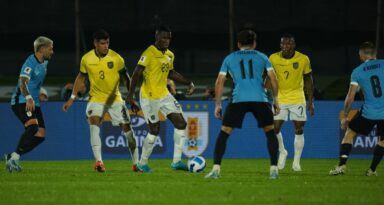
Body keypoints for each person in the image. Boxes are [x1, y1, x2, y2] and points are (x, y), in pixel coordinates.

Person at [205, 29, 281, 179]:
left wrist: (218, 104)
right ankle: (273, 170)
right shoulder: (262, 57)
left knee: (224, 133)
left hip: (238, 99)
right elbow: (273, 78)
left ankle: (215, 170)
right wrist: (276, 100)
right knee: (270, 132)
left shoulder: (229, 58)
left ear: (238, 43)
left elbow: (219, 81)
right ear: (254, 43)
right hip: (260, 99)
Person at [63, 30, 138, 172]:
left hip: (115, 99)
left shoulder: (116, 58)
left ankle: (136, 164)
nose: (106, 46)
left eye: (107, 43)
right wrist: (72, 98)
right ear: (95, 43)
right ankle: (99, 162)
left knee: (129, 132)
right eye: (102, 43)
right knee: (94, 124)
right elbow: (81, 78)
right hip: (96, 99)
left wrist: (131, 98)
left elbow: (126, 78)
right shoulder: (86, 59)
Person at [127, 26, 195, 173]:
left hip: (164, 95)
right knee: (154, 129)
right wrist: (131, 96)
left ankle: (176, 162)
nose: (166, 40)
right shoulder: (149, 52)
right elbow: (136, 73)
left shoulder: (170, 55)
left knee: (181, 123)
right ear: (156, 37)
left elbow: (170, 73)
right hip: (149, 97)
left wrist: (188, 82)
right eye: (163, 37)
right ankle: (142, 163)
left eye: (168, 38)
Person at [329, 42, 384, 176]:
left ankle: (341, 166)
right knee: (383, 139)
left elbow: (350, 97)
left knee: (349, 133)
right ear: (375, 54)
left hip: (369, 112)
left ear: (362, 55)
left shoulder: (358, 71)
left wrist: (345, 116)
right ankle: (372, 170)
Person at [4, 36, 54, 172]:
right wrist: (29, 97)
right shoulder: (30, 63)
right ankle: (13, 159)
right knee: (32, 128)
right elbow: (22, 83)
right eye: (50, 48)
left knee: (41, 135)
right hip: (22, 101)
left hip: (34, 102)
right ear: (42, 49)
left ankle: (12, 156)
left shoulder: (44, 62)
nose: (52, 51)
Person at [268, 34, 314, 171]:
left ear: (294, 45)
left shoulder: (303, 58)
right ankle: (283, 151)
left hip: (297, 97)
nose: (286, 47)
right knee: (274, 128)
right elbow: (269, 79)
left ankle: (296, 162)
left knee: (299, 128)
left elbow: (308, 80)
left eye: (289, 44)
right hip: (279, 97)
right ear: (280, 45)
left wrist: (311, 101)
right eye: (283, 44)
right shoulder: (273, 58)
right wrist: (268, 96)